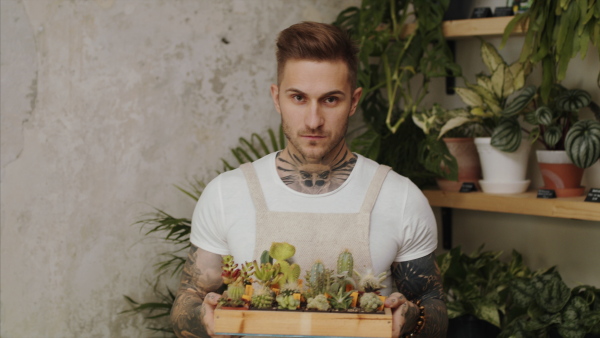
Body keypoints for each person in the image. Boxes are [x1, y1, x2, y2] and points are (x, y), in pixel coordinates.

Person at [171, 21, 447, 338]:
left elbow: (432, 305)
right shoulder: (226, 193)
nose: (313, 120)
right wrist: (203, 319)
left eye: (330, 99)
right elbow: (187, 302)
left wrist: (413, 319)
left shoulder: (399, 197)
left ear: (354, 101)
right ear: (277, 98)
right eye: (298, 98)